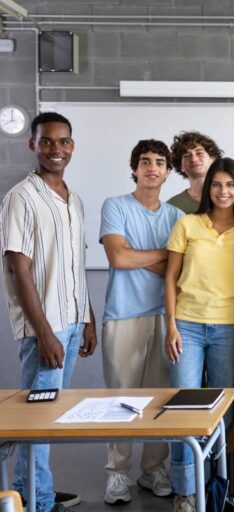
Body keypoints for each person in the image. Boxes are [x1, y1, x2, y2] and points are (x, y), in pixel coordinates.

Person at [0, 112, 97, 512]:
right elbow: (16, 266)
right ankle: (34, 502)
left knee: (49, 416)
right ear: (33, 145)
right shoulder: (21, 197)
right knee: (35, 421)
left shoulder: (75, 199)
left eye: (63, 142)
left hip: (73, 322)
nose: (56, 149)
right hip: (48, 327)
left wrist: (88, 318)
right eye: (47, 142)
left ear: (72, 145)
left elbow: (76, 264)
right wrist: (44, 332)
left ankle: (33, 492)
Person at [165, 157, 234, 512]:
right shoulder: (187, 224)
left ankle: (218, 485)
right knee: (183, 410)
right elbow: (170, 278)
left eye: (230, 185)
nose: (222, 191)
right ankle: (186, 492)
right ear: (208, 188)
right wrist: (170, 325)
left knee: (222, 413)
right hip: (186, 324)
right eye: (216, 184)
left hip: (230, 327)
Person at [99, 139, 183, 505]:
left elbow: (177, 270)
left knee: (159, 399)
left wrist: (140, 255)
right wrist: (163, 256)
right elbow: (117, 257)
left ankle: (153, 470)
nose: (152, 167)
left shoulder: (176, 217)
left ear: (168, 171)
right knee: (121, 398)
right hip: (123, 315)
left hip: (166, 316)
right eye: (145, 162)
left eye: (159, 162)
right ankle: (117, 475)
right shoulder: (115, 206)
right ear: (134, 168)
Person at [168, 131, 222, 214]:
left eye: (199, 153)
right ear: (180, 166)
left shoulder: (231, 199)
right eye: (186, 156)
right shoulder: (172, 207)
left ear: (213, 158)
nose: (194, 159)